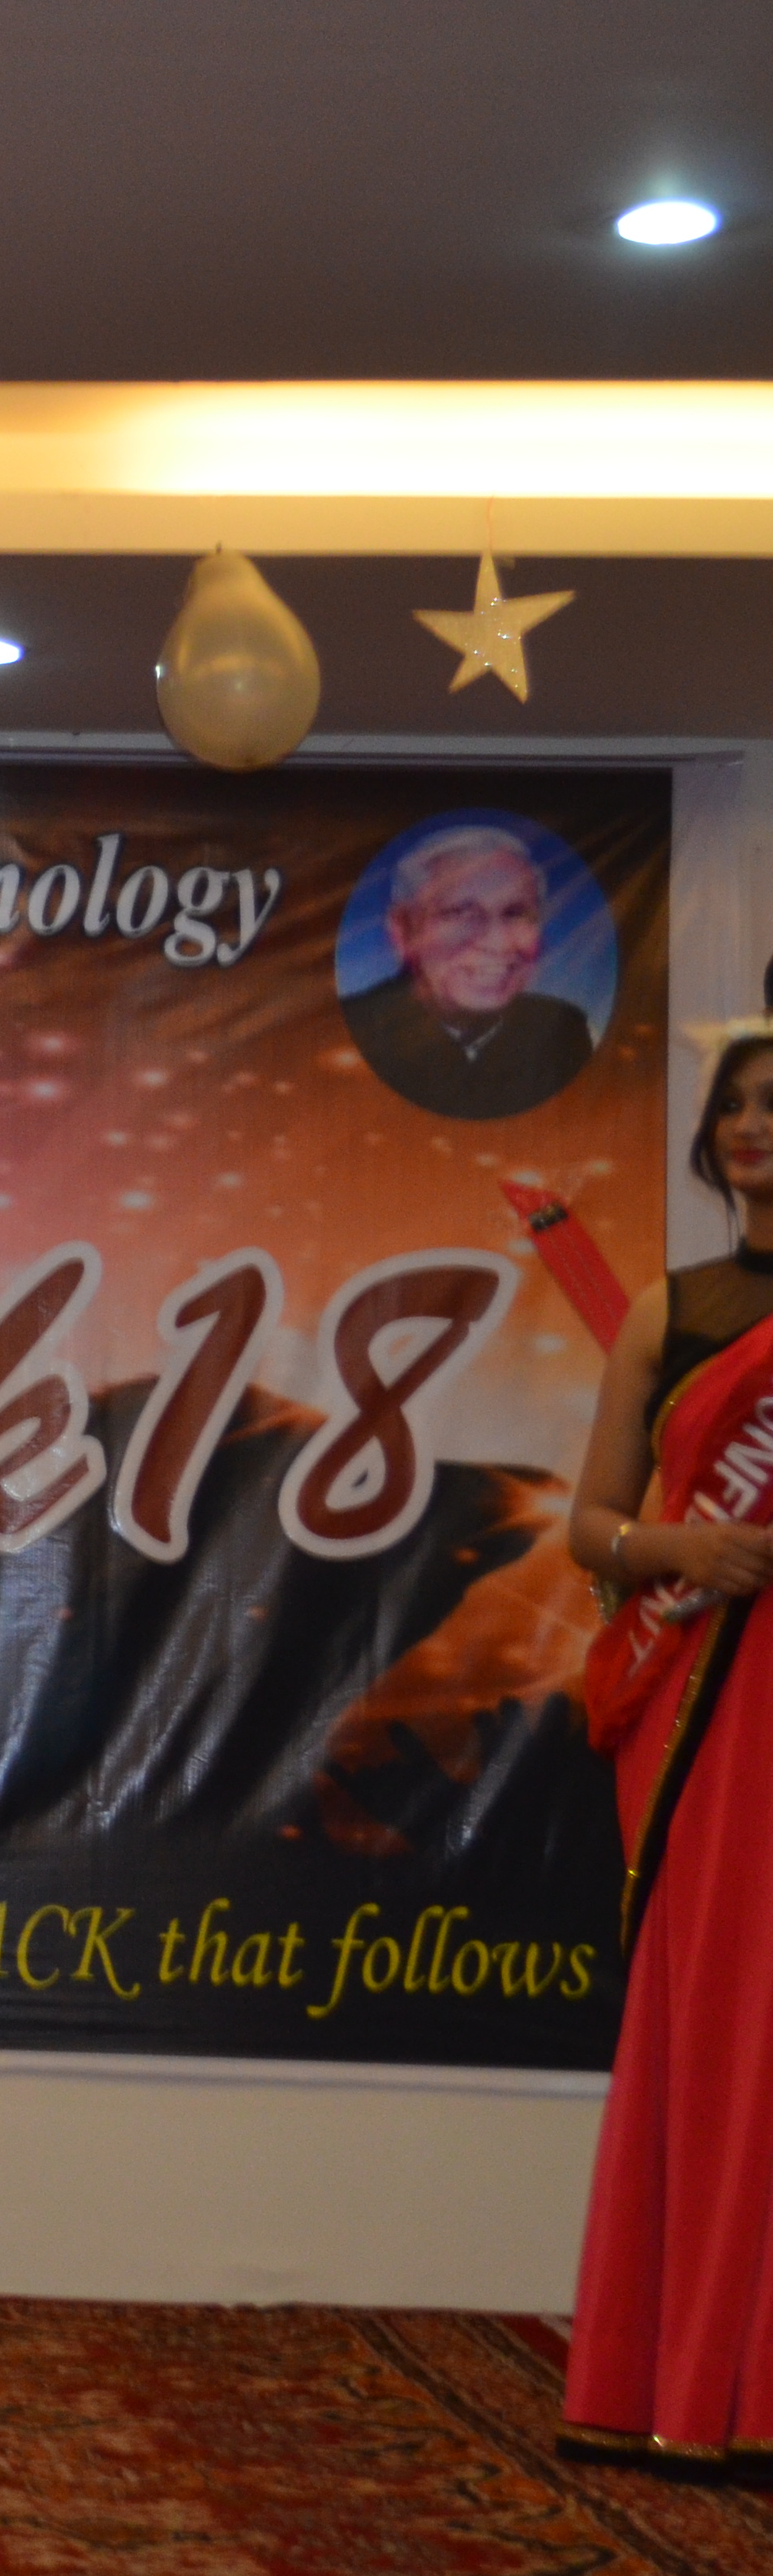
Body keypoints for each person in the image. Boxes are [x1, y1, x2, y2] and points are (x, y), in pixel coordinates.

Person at [560, 1029, 773, 2467]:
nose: (753, 1124)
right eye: (735, 1103)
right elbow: (592, 1523)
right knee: (711, 2020)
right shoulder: (673, 1309)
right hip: (699, 1700)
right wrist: (677, 1547)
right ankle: (688, 2380)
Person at [340, 825, 599, 1121]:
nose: (497, 943)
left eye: (515, 913)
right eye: (461, 913)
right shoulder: (348, 1032)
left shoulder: (564, 1032)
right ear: (403, 931)